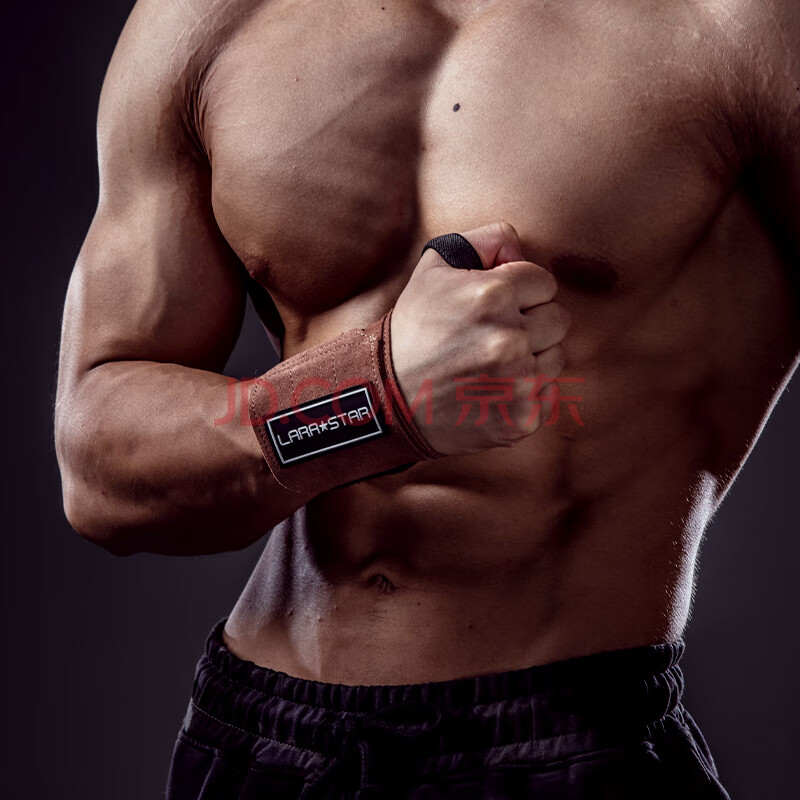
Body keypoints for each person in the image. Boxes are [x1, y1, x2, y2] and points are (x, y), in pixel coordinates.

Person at [55, 0, 799, 797]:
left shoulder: (741, 23)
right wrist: (374, 396)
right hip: (255, 740)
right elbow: (100, 474)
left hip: (567, 746)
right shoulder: (204, 19)